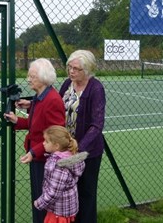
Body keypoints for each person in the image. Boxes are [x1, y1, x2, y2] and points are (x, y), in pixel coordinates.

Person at [4, 58, 65, 223]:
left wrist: (34, 151)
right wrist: (18, 121)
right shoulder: (40, 97)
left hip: (44, 159)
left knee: (43, 201)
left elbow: (56, 136)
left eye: (32, 76)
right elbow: (36, 126)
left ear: (44, 78)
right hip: (38, 156)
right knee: (39, 199)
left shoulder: (51, 100)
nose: (28, 79)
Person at [59, 50, 106, 223]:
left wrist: (79, 146)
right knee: (70, 193)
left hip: (87, 153)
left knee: (86, 193)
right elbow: (55, 106)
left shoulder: (96, 88)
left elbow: (97, 125)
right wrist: (31, 104)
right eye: (70, 67)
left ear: (87, 70)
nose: (71, 71)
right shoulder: (67, 84)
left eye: (76, 69)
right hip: (67, 149)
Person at [34, 125, 88, 223]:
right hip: (65, 208)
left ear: (56, 146)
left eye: (46, 141)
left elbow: (53, 193)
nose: (43, 143)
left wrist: (39, 203)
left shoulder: (59, 166)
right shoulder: (70, 158)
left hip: (58, 212)